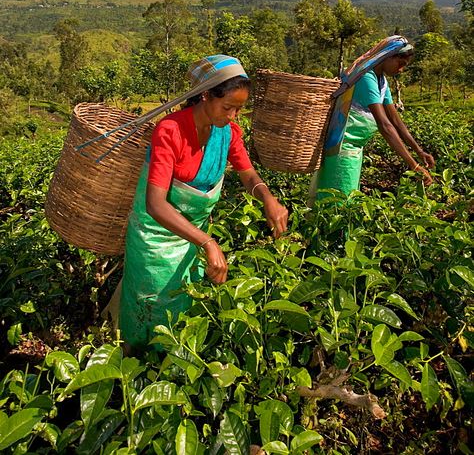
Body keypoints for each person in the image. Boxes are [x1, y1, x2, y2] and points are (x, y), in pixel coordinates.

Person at [119, 55, 288, 350]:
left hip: (192, 234)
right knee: (148, 309)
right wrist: (208, 242)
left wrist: (267, 198)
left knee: (182, 311)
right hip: (154, 238)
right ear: (206, 95)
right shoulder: (170, 131)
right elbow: (156, 204)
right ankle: (132, 368)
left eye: (239, 109)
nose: (233, 115)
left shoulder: (228, 132)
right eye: (228, 107)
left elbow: (247, 174)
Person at [309, 36, 435, 202]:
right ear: (388, 57)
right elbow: (385, 125)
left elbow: (396, 121)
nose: (401, 70)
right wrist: (414, 165)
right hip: (342, 148)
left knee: (343, 198)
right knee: (338, 203)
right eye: (400, 64)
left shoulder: (381, 81)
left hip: (354, 149)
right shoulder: (366, 77)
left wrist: (419, 151)